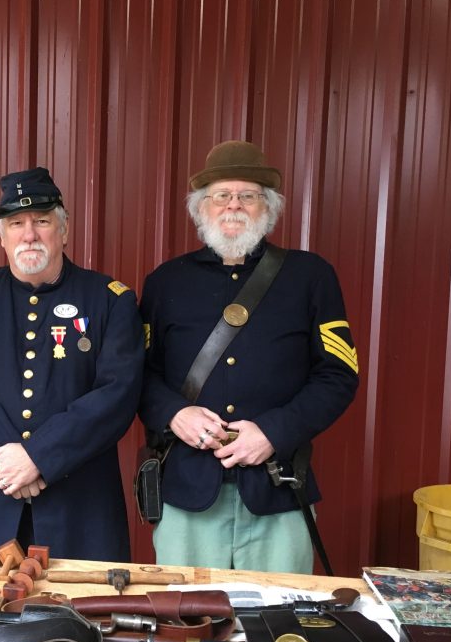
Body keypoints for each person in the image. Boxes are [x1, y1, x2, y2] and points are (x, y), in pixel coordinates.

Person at [138, 141, 359, 573]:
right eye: (221, 195)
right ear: (202, 207)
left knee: (279, 626)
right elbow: (139, 374)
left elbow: (338, 375)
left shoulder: (311, 276)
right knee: (187, 624)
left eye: (248, 195)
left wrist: (273, 432)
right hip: (188, 493)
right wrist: (174, 414)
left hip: (278, 488)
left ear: (269, 207)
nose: (233, 205)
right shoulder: (166, 281)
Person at [0, 167, 144, 561]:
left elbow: (117, 394)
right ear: (2, 236)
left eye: (42, 221)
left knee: (77, 617)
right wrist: (6, 466)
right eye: (16, 223)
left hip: (79, 509)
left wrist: (39, 457)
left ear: (63, 231)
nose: (29, 234)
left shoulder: (110, 299)